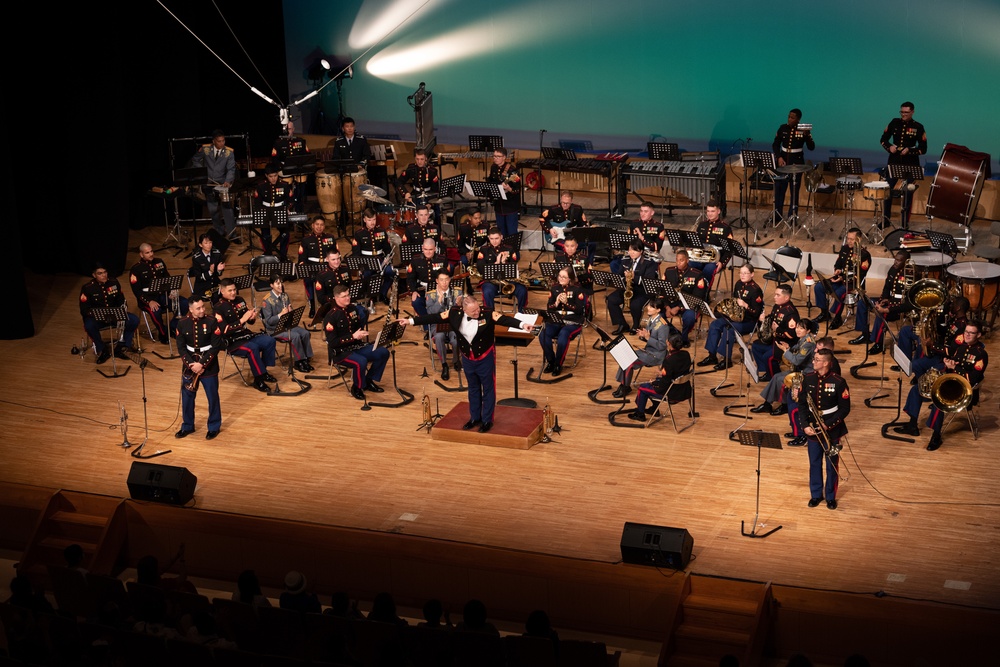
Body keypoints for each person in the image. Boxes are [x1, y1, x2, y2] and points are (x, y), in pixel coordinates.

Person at [402, 295, 535, 433]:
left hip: (485, 357)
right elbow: (433, 318)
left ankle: (487, 420)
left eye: (477, 309)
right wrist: (410, 320)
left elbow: (505, 320)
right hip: (467, 357)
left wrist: (522, 325)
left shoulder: (488, 313)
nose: (477, 312)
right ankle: (475, 418)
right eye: (473, 311)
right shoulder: (453, 313)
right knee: (473, 388)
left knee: (488, 389)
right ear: (464, 310)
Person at [895, 320, 987, 451]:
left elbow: (973, 378)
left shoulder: (981, 354)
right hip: (950, 380)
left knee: (940, 401)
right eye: (966, 332)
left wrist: (954, 367)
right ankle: (912, 425)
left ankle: (936, 435)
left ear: (978, 335)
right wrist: (947, 360)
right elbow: (950, 353)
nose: (967, 335)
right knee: (917, 389)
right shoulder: (962, 346)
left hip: (964, 389)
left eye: (971, 333)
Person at [796, 349, 850, 509]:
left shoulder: (839, 382)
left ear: (826, 363)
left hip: (832, 428)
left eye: (817, 359)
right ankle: (816, 495)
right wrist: (805, 425)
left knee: (831, 464)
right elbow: (802, 404)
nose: (813, 361)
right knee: (814, 463)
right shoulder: (808, 378)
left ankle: (831, 496)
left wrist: (828, 424)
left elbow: (844, 409)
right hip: (813, 427)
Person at [324, 284, 389, 400]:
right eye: (344, 296)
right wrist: (353, 337)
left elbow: (357, 327)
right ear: (336, 298)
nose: (348, 298)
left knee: (383, 352)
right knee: (361, 361)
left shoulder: (352, 309)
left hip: (356, 346)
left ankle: (368, 380)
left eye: (348, 295)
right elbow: (333, 342)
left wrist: (360, 334)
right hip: (340, 352)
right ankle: (357, 387)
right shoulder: (330, 317)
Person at [214, 278, 277, 393]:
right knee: (253, 348)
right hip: (232, 341)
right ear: (222, 292)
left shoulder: (240, 300)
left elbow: (250, 322)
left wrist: (252, 317)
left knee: (269, 341)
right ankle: (258, 380)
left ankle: (263, 372)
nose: (233, 293)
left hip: (245, 335)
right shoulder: (218, 308)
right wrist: (242, 320)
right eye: (230, 291)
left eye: (234, 290)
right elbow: (225, 330)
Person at [699, 264, 764, 370]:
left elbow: (756, 313)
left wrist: (746, 305)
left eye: (745, 273)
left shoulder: (756, 290)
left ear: (752, 274)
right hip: (735, 318)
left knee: (728, 329)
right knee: (715, 324)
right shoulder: (738, 284)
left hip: (749, 321)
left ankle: (726, 360)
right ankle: (712, 356)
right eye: (741, 273)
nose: (742, 275)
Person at [176, 295, 223, 438]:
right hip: (190, 365)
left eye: (203, 307)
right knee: (187, 397)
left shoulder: (212, 321)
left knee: (212, 397)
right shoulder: (182, 323)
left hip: (208, 365)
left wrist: (201, 364)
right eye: (198, 308)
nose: (202, 310)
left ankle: (214, 426)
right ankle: (188, 426)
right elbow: (181, 347)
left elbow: (215, 346)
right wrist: (191, 364)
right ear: (190, 309)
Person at [851, 249, 909, 355]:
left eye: (899, 261)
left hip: (899, 307)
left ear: (906, 261)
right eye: (895, 259)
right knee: (862, 303)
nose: (895, 262)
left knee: (880, 313)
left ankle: (878, 343)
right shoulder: (893, 269)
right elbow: (887, 287)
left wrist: (888, 303)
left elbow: (905, 300)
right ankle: (865, 334)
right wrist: (882, 300)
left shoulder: (909, 274)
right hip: (888, 301)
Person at [752, 318, 816, 415]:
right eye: (797, 327)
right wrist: (788, 348)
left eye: (801, 328)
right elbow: (796, 349)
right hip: (799, 370)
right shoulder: (802, 339)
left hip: (806, 374)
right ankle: (767, 404)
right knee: (776, 376)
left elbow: (797, 360)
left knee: (780, 380)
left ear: (808, 331)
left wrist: (785, 351)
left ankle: (785, 405)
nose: (798, 330)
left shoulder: (808, 343)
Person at [80, 263, 140, 364]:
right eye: (100, 273)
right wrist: (98, 314)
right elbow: (84, 309)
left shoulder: (114, 282)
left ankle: (121, 347)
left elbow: (121, 300)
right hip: (98, 318)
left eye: (105, 272)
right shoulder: (88, 288)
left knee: (134, 320)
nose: (103, 275)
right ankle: (102, 350)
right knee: (89, 325)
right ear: (94, 275)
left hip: (115, 316)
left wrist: (122, 309)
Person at [880, 101, 927, 228]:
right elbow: (883, 139)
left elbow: (923, 149)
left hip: (910, 163)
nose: (903, 115)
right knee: (887, 191)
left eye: (906, 112)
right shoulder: (894, 122)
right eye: (902, 112)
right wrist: (889, 147)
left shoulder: (918, 127)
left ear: (912, 112)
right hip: (894, 161)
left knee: (907, 193)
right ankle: (886, 220)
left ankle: (904, 222)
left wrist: (910, 150)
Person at [898, 296, 969, 379]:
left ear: (958, 308)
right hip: (941, 354)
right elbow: (945, 332)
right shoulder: (955, 320)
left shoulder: (962, 326)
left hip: (947, 360)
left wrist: (932, 344)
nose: (950, 306)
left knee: (915, 365)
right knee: (917, 357)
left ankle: (923, 383)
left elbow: (951, 352)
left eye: (953, 304)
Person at [130, 243, 188, 344]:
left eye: (151, 251)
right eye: (147, 253)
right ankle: (163, 333)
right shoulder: (136, 269)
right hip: (148, 299)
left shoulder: (159, 262)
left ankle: (173, 327)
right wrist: (149, 302)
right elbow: (137, 291)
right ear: (141, 254)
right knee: (156, 311)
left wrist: (171, 291)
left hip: (163, 296)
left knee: (184, 303)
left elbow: (167, 278)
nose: (151, 254)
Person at [814, 228, 870, 329]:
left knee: (838, 293)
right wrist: (837, 270)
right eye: (848, 238)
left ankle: (837, 318)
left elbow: (860, 274)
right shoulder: (844, 249)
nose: (849, 241)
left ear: (859, 239)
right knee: (819, 286)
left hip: (853, 283)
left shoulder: (865, 255)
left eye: (852, 239)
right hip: (840, 278)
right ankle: (824, 313)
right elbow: (838, 263)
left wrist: (842, 278)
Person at [613, 298, 669, 398]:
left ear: (658, 310)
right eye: (649, 305)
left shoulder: (663, 325)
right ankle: (623, 384)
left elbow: (662, 346)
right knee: (625, 356)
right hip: (648, 350)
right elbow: (648, 338)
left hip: (656, 355)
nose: (648, 308)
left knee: (629, 362)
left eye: (651, 307)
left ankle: (625, 386)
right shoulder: (651, 320)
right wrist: (643, 336)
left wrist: (648, 338)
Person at [627, 334, 692, 421]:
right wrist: (663, 374)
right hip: (684, 390)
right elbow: (678, 371)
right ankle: (654, 409)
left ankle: (640, 414)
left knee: (643, 388)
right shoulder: (686, 354)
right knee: (657, 380)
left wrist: (653, 383)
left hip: (672, 394)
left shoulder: (669, 360)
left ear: (669, 344)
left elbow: (664, 383)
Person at [261, 274, 314, 373]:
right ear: (271, 285)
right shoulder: (267, 300)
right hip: (275, 329)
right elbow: (268, 322)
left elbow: (289, 312)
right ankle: (298, 362)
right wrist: (280, 315)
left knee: (305, 333)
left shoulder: (285, 295)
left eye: (281, 282)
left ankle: (306, 358)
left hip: (286, 325)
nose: (280, 285)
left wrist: (291, 311)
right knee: (295, 336)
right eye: (277, 283)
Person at [538, 267, 586, 376]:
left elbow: (579, 310)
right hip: (557, 320)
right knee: (543, 333)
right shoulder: (555, 288)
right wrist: (556, 303)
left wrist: (567, 303)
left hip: (573, 321)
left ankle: (558, 364)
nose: (561, 279)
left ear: (570, 279)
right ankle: (551, 361)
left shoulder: (578, 289)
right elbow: (549, 308)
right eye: (560, 276)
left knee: (563, 334)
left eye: (564, 277)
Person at [191, 129, 237, 242]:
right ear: (214, 141)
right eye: (219, 141)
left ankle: (232, 234)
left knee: (227, 209)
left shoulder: (229, 152)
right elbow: (195, 160)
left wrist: (228, 181)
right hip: (208, 184)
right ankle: (220, 231)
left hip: (222, 184)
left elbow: (231, 169)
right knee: (213, 210)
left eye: (223, 140)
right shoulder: (206, 149)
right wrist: (202, 172)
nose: (222, 143)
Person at [772, 108, 815, 223]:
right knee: (779, 189)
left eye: (792, 117)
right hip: (783, 162)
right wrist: (779, 157)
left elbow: (811, 147)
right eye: (789, 116)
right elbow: (775, 144)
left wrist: (807, 135)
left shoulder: (803, 130)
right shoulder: (782, 128)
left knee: (794, 191)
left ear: (798, 119)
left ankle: (792, 216)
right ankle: (777, 216)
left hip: (797, 163)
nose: (789, 119)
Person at [608, 239, 659, 336]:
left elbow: (648, 280)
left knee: (635, 305)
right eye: (630, 250)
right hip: (627, 288)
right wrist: (624, 279)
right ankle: (622, 324)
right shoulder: (625, 260)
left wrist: (634, 277)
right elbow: (619, 275)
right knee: (611, 299)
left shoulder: (649, 263)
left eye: (634, 250)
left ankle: (636, 325)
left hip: (642, 290)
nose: (631, 252)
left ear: (641, 251)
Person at [752, 284, 800, 381]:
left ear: (786, 297)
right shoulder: (777, 306)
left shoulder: (791, 313)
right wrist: (763, 319)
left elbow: (792, 335)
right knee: (756, 346)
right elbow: (772, 320)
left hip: (786, 344)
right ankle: (765, 369)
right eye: (775, 294)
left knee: (768, 357)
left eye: (778, 295)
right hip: (775, 340)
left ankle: (774, 377)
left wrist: (777, 329)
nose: (774, 297)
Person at [662, 249, 709, 345]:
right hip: (671, 303)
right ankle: (674, 332)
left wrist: (678, 307)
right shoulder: (669, 271)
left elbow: (697, 297)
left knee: (690, 317)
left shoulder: (696, 274)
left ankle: (683, 338)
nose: (678, 263)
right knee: (658, 315)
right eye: (677, 260)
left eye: (681, 260)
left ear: (687, 260)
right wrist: (667, 307)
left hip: (688, 305)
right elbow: (663, 291)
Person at [476, 227, 527, 311]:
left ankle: (522, 313)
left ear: (501, 237)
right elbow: (481, 268)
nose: (494, 241)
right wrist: (496, 263)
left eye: (496, 238)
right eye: (491, 238)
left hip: (508, 281)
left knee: (522, 290)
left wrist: (504, 263)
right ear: (488, 238)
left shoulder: (509, 249)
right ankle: (491, 314)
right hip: (491, 282)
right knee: (487, 291)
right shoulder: (484, 250)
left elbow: (514, 266)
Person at [352, 208, 395, 303]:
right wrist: (361, 265)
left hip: (380, 259)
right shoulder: (359, 234)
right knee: (367, 274)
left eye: (374, 219)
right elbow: (356, 253)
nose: (372, 222)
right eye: (369, 220)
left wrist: (388, 259)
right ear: (364, 220)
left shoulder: (382, 231)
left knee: (391, 272)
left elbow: (387, 249)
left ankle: (382, 294)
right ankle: (371, 296)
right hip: (366, 261)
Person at [426, 270, 462, 380]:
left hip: (453, 324)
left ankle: (456, 360)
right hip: (437, 324)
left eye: (446, 279)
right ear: (437, 281)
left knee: (456, 340)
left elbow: (462, 311)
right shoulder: (431, 294)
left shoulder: (457, 292)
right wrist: (439, 302)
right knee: (439, 337)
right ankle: (444, 364)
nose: (444, 282)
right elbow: (430, 313)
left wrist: (459, 305)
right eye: (441, 280)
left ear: (450, 280)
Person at [297, 216, 338, 316]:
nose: (319, 227)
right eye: (317, 224)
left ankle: (328, 304)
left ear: (324, 226)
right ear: (312, 225)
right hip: (311, 267)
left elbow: (336, 254)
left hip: (326, 266)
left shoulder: (330, 238)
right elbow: (302, 258)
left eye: (322, 225)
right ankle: (312, 304)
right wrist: (306, 269)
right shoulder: (306, 240)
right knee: (308, 280)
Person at [253, 163, 293, 259]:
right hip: (265, 210)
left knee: (285, 233)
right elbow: (257, 202)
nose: (273, 178)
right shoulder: (260, 186)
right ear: (266, 176)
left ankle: (283, 254)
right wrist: (260, 211)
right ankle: (268, 253)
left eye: (275, 175)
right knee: (265, 233)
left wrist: (287, 208)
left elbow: (290, 200)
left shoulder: (285, 185)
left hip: (280, 210)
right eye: (271, 176)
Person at [407, 238, 452, 324]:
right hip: (422, 289)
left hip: (438, 288)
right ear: (422, 248)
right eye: (426, 249)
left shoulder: (442, 259)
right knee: (416, 302)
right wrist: (413, 291)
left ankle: (438, 322)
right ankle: (428, 324)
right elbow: (410, 277)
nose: (428, 252)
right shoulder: (415, 259)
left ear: (435, 248)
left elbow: (447, 275)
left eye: (431, 249)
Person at [691, 202, 734, 285]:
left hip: (715, 260)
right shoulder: (702, 225)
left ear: (718, 211)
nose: (709, 214)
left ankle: (705, 294)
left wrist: (722, 262)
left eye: (712, 211)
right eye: (708, 211)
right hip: (700, 256)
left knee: (708, 270)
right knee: (690, 265)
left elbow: (729, 249)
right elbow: (697, 242)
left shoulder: (725, 228)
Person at [271, 120, 309, 213]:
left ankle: (300, 208)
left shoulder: (300, 141)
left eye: (290, 129)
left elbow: (307, 155)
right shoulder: (278, 143)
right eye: (287, 129)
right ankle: (288, 208)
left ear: (293, 129)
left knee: (302, 179)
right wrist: (282, 167)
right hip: (284, 169)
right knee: (285, 184)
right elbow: (275, 159)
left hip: (298, 168)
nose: (288, 131)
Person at [539, 191, 587, 255]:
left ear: (571, 201)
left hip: (573, 237)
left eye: (567, 203)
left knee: (591, 244)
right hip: (558, 237)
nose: (565, 205)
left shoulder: (577, 209)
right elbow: (542, 218)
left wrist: (584, 227)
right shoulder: (554, 208)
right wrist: (550, 229)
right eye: (563, 202)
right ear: (561, 200)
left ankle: (587, 263)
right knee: (568, 246)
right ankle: (566, 262)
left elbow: (583, 222)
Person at [487, 147, 521, 237]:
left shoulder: (512, 170)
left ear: (504, 157)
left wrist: (509, 188)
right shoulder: (493, 167)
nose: (495, 158)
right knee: (501, 232)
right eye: (494, 156)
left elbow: (517, 189)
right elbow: (490, 181)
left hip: (510, 206)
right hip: (499, 205)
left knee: (511, 232)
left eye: (498, 156)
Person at [189, 233, 226, 300]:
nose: (209, 245)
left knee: (227, 291)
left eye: (210, 242)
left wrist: (219, 270)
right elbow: (198, 276)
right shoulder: (197, 258)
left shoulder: (217, 254)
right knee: (215, 297)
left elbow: (219, 274)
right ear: (200, 245)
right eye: (206, 243)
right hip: (202, 286)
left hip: (215, 283)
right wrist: (210, 272)